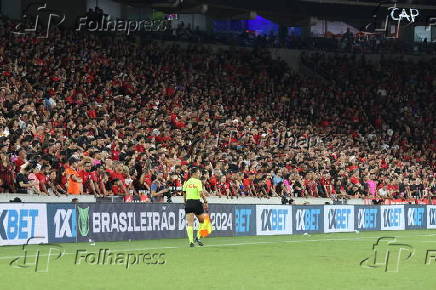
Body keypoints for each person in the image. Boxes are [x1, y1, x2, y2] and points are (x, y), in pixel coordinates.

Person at [182, 167, 208, 247]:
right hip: (196, 202)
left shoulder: (186, 182)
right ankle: (198, 237)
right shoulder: (198, 181)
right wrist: (205, 201)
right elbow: (200, 193)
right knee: (202, 221)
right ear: (194, 173)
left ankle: (191, 242)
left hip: (189, 203)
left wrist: (185, 202)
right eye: (198, 172)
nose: (199, 174)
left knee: (190, 223)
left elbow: (184, 193)